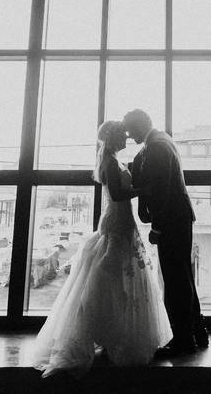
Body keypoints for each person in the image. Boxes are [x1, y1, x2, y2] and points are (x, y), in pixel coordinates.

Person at [30, 120, 171, 378]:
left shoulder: (112, 160)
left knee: (120, 278)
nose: (127, 138)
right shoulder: (109, 162)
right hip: (117, 221)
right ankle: (107, 333)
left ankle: (115, 334)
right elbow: (117, 196)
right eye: (122, 135)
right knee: (111, 278)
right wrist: (144, 189)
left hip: (124, 221)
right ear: (113, 138)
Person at [123, 108, 208, 359]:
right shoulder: (160, 140)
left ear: (140, 126)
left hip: (171, 220)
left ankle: (183, 340)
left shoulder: (157, 147)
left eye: (131, 131)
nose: (129, 136)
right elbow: (148, 166)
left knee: (174, 281)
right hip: (180, 219)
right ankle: (196, 332)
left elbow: (162, 191)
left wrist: (157, 227)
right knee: (183, 278)